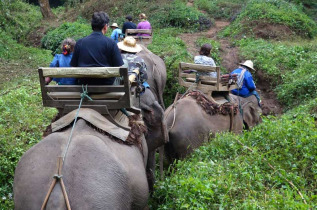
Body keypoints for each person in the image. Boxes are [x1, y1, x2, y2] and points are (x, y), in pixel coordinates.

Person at [70, 11, 124, 85]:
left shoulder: (80, 42)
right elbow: (119, 67)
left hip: (85, 87)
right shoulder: (111, 43)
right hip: (106, 88)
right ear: (105, 27)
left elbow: (73, 66)